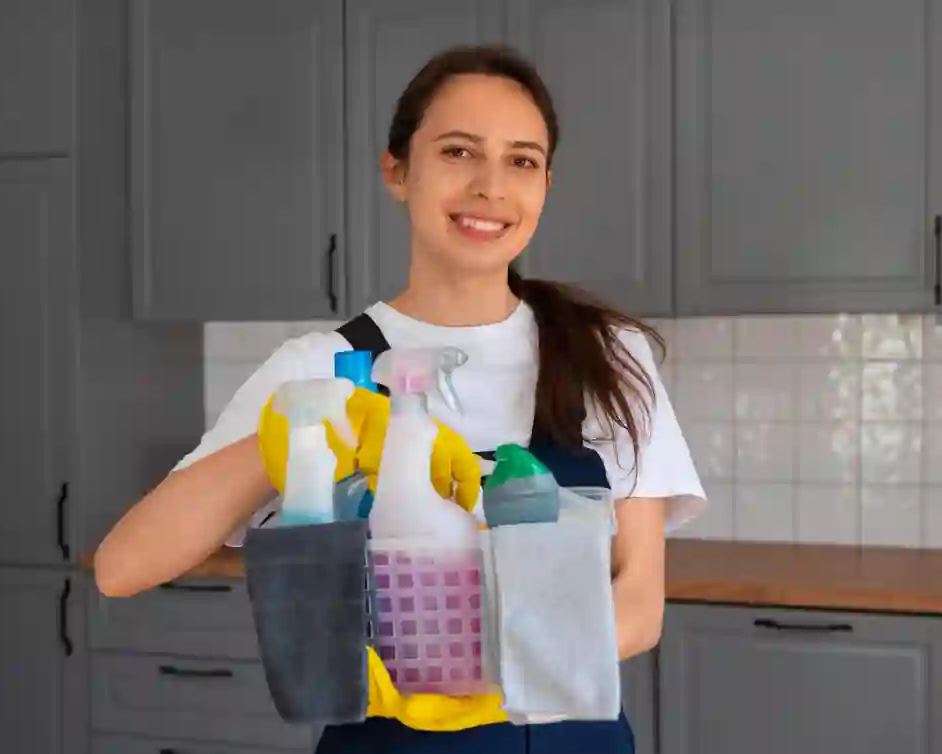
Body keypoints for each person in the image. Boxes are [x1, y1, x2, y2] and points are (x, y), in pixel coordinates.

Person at [94, 43, 707, 753]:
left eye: (521, 161)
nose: (490, 187)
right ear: (397, 171)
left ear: (545, 185)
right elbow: (122, 567)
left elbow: (639, 603)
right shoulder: (319, 367)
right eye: (458, 151)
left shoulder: (606, 354)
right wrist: (300, 433)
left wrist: (484, 679)